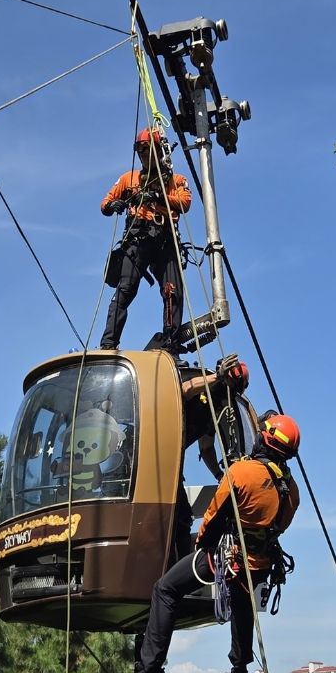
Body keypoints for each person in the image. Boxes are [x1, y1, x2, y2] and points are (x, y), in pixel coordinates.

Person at [118, 413, 301, 673]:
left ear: (264, 439)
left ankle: (148, 671)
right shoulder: (292, 489)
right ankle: (239, 672)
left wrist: (202, 547)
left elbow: (213, 519)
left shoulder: (241, 473)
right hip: (259, 561)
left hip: (226, 557)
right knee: (243, 607)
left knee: (165, 589)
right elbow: (280, 525)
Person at [100, 127, 192, 352]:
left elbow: (184, 203)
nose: (143, 155)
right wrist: (114, 205)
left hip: (164, 241)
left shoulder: (175, 180)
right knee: (125, 289)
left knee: (172, 291)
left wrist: (158, 195)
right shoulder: (129, 178)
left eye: (146, 149)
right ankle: (108, 344)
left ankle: (171, 344)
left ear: (158, 150)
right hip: (137, 241)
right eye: (139, 150)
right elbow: (105, 204)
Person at [171, 354, 250, 562]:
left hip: (171, 466)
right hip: (158, 457)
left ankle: (175, 567)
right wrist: (217, 377)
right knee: (178, 518)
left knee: (182, 519)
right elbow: (184, 389)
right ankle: (171, 568)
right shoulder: (206, 390)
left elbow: (206, 448)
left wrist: (219, 474)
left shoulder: (216, 411)